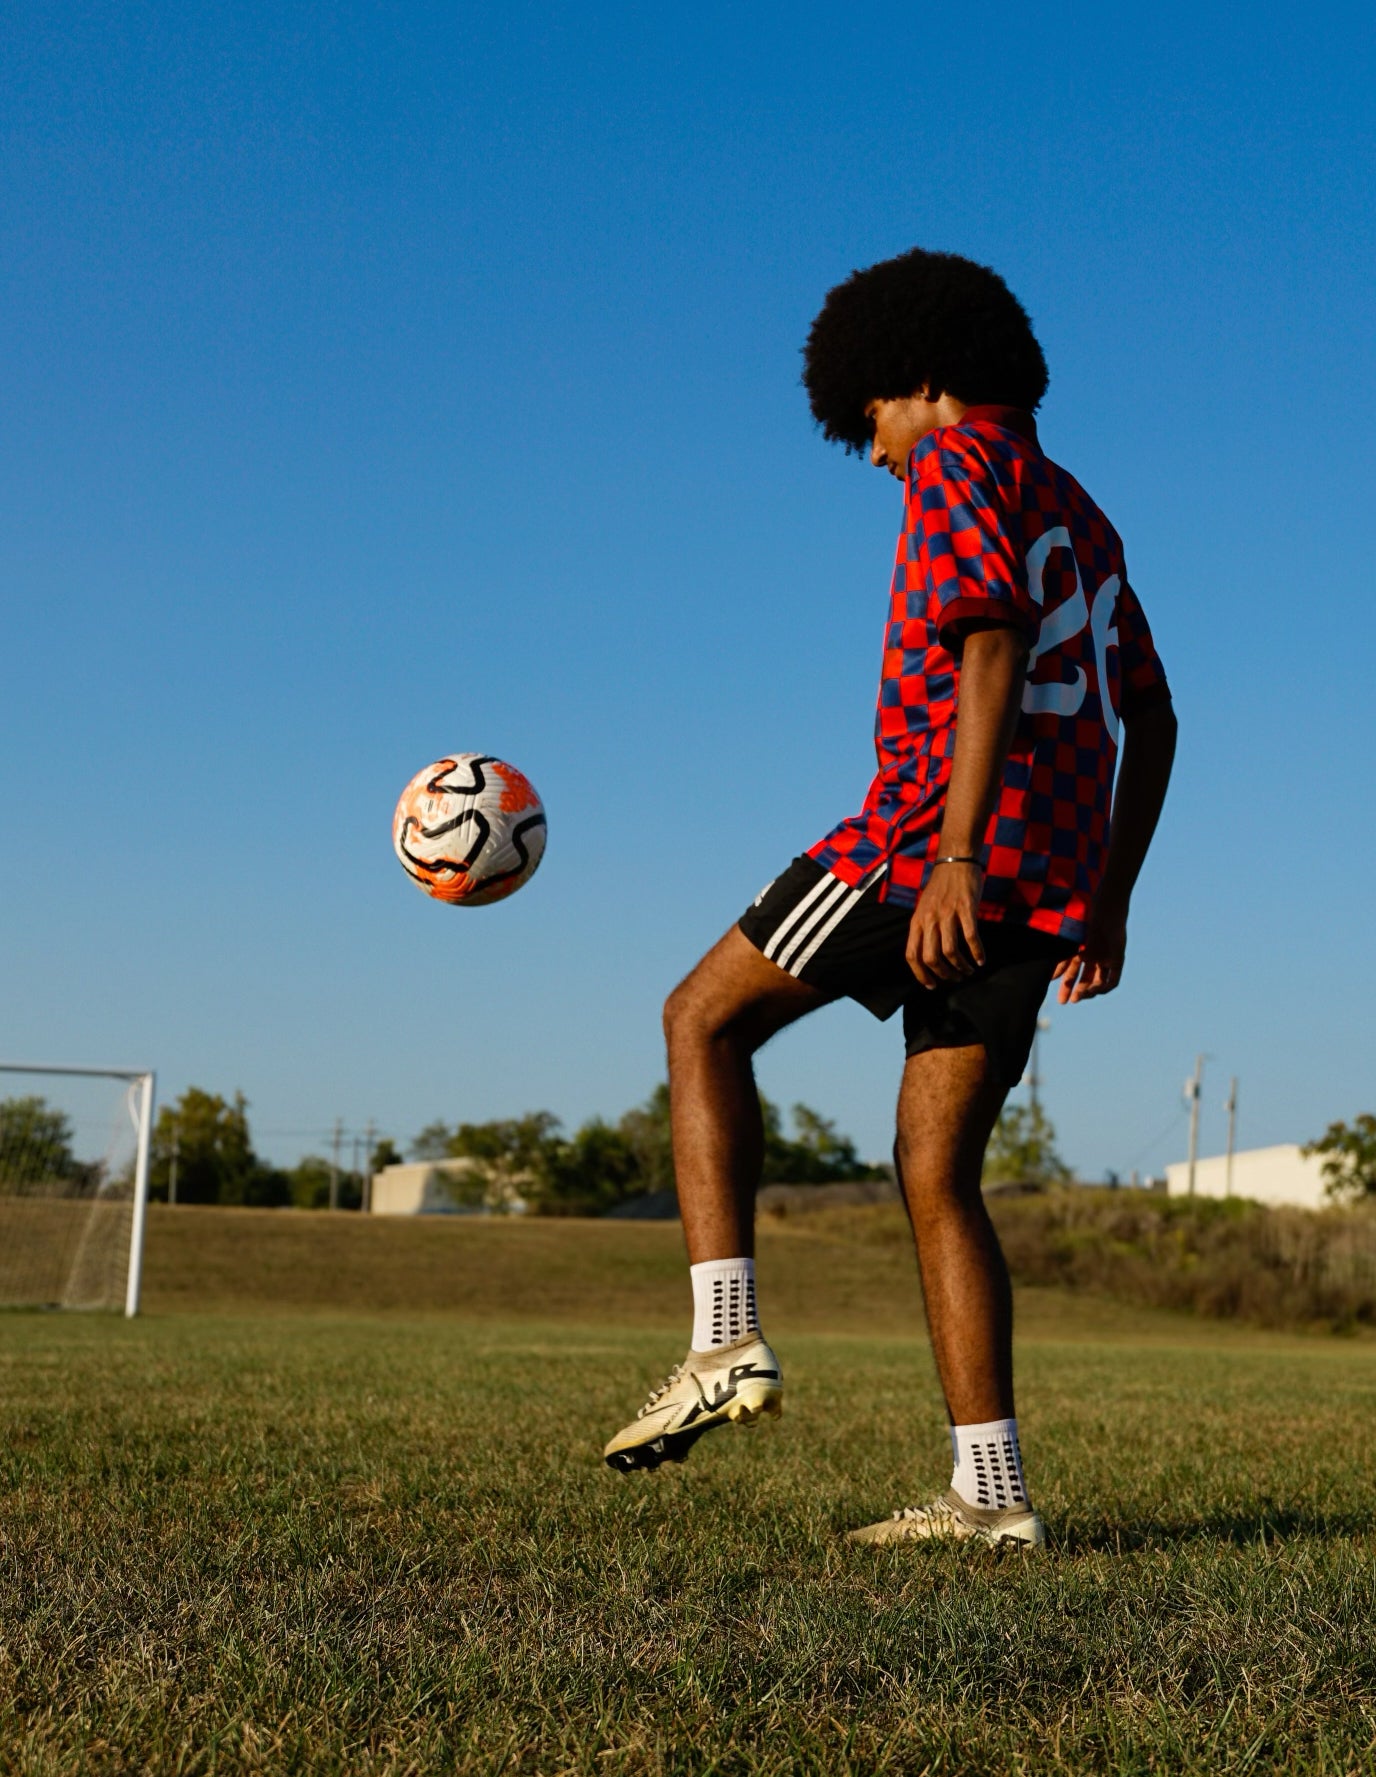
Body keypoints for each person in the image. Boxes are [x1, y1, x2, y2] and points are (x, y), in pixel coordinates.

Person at [602, 247, 1177, 1549]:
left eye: (867, 420)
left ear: (917, 379)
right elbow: (1155, 714)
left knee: (699, 1018)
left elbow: (989, 641)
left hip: (920, 853)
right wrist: (1109, 899)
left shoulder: (959, 469)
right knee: (938, 1175)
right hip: (1043, 890)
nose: (871, 454)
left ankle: (722, 1341)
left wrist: (957, 854)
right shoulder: (1081, 513)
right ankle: (992, 1498)